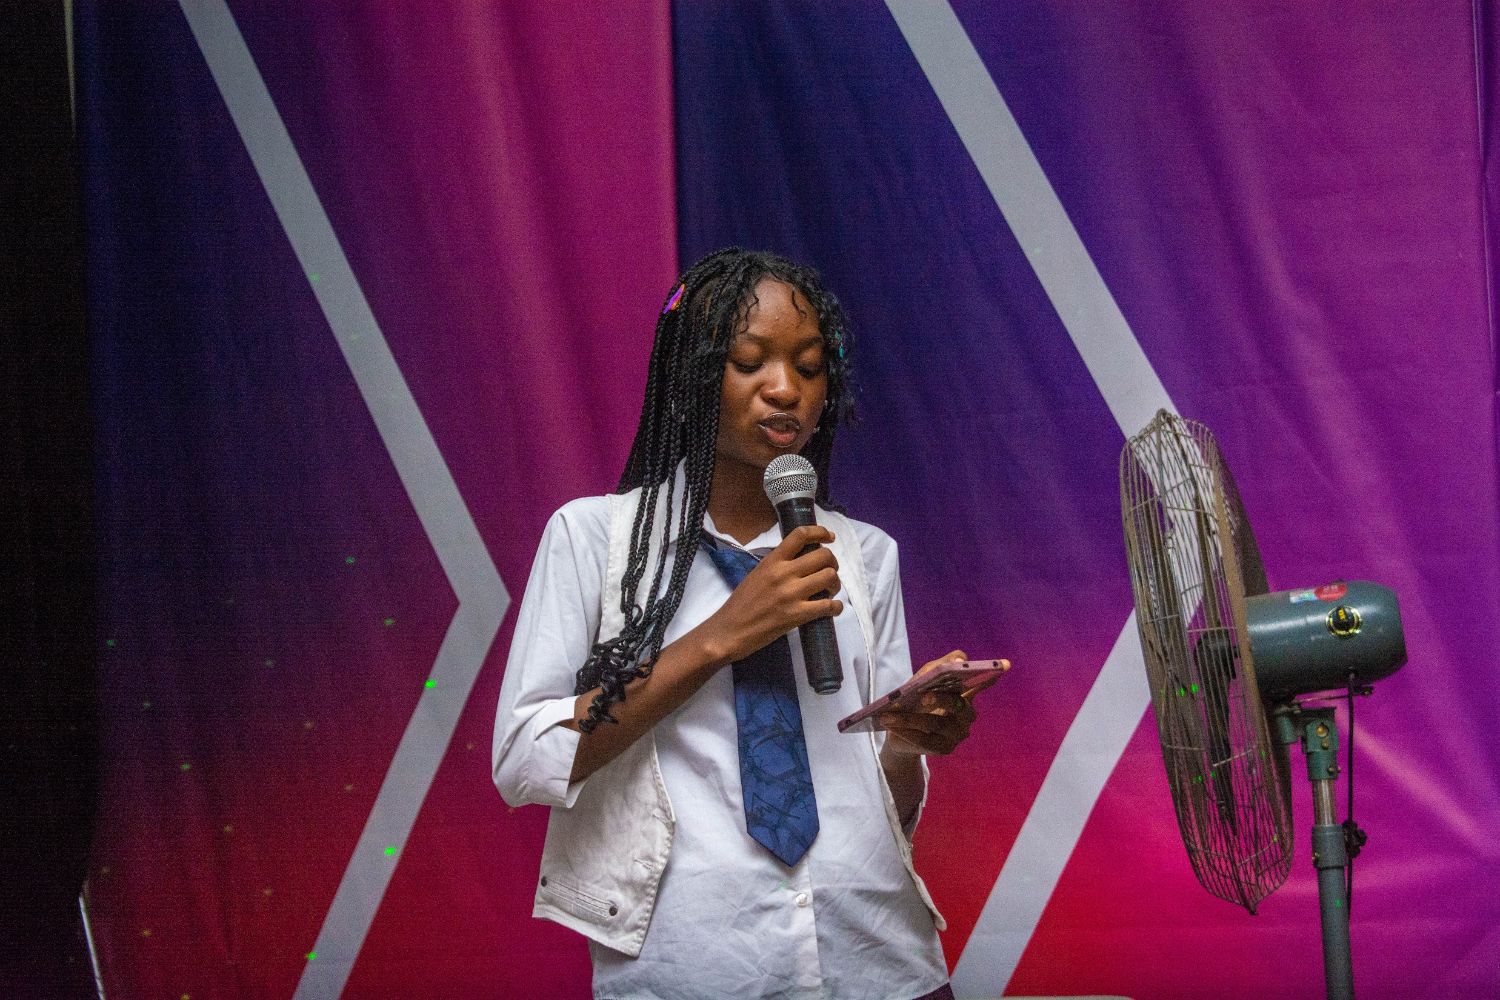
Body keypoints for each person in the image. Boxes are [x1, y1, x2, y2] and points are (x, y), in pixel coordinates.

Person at [493, 248, 979, 999]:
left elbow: (884, 800)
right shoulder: (594, 542)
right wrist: (723, 634)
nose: (784, 389)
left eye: (810, 368)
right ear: (691, 378)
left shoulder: (864, 553)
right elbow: (526, 760)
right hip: (697, 962)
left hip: (878, 959)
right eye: (748, 362)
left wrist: (910, 743)